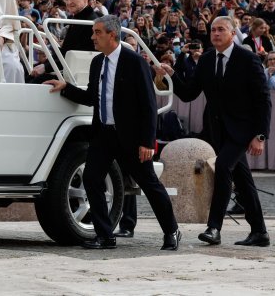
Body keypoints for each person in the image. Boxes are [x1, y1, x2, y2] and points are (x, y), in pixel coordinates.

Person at [45, 15, 180, 250]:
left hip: (131, 137)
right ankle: (105, 235)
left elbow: (149, 106)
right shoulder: (97, 62)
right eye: (93, 32)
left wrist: (147, 142)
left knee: (149, 184)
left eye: (97, 32)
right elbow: (91, 97)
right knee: (92, 179)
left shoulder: (135, 62)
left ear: (112, 35)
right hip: (104, 135)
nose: (93, 37)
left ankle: (172, 230)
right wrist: (66, 88)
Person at [159, 16, 270, 247]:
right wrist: (171, 75)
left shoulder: (247, 59)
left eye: (221, 30)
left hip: (243, 130)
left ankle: (214, 228)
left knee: (222, 167)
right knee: (242, 178)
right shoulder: (207, 59)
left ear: (232, 33)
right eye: (213, 30)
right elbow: (189, 93)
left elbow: (263, 100)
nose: (215, 34)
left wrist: (260, 135)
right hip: (217, 130)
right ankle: (260, 231)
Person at [31, 0, 97, 82]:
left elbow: (74, 55)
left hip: (77, 75)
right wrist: (44, 65)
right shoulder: (78, 19)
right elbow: (65, 51)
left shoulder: (90, 23)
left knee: (35, 81)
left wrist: (46, 67)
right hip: (70, 70)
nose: (69, 2)